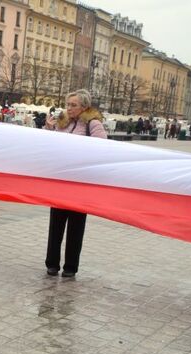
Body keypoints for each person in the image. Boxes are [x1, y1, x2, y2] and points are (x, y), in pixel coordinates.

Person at [43, 89, 107, 277]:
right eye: (68, 104)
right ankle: (52, 263)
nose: (69, 108)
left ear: (84, 107)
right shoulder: (61, 123)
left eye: (73, 105)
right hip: (61, 181)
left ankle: (71, 266)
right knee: (56, 225)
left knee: (76, 227)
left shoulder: (93, 124)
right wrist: (48, 128)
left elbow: (103, 149)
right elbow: (45, 145)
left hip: (81, 183)